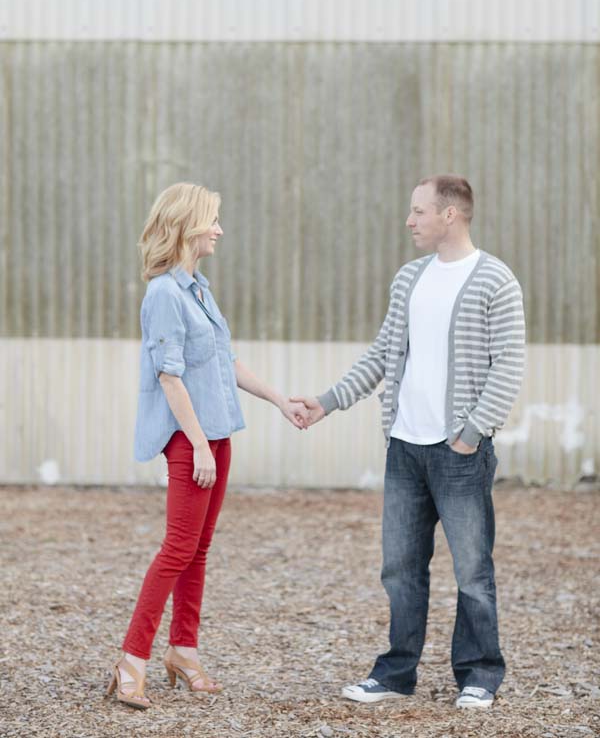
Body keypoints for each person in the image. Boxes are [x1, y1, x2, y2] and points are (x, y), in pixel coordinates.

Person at [293, 175, 525, 710]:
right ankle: (397, 672)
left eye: (419, 211)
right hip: (404, 448)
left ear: (451, 215)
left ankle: (480, 673)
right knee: (399, 569)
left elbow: (508, 366)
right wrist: (326, 402)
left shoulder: (496, 281)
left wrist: (471, 435)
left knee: (471, 570)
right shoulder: (408, 279)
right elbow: (381, 355)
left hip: (459, 452)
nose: (409, 220)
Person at [106, 182, 308, 710]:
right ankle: (132, 661)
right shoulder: (164, 294)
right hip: (188, 440)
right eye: (212, 220)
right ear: (187, 226)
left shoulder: (199, 288)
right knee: (177, 549)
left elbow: (225, 362)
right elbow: (169, 377)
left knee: (198, 551)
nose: (219, 230)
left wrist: (278, 400)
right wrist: (196, 445)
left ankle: (184, 651)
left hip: (216, 435)